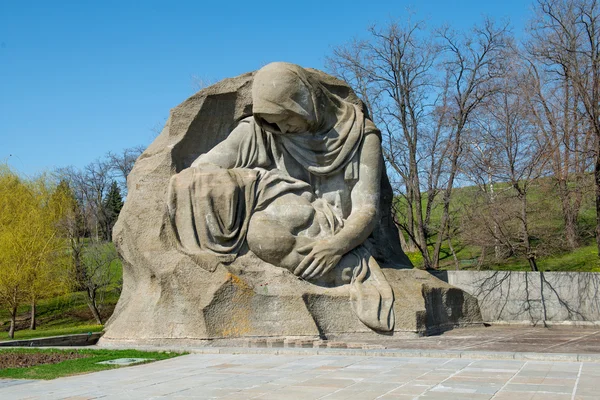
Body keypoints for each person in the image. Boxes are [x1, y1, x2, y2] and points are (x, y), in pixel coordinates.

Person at [167, 62, 394, 331]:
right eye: (273, 123)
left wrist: (337, 246)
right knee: (262, 232)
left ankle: (343, 266)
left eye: (287, 119)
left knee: (263, 233)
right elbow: (204, 169)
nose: (282, 129)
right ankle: (334, 269)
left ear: (306, 101)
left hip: (332, 226)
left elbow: (367, 210)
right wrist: (247, 182)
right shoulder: (261, 131)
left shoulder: (362, 137)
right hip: (281, 210)